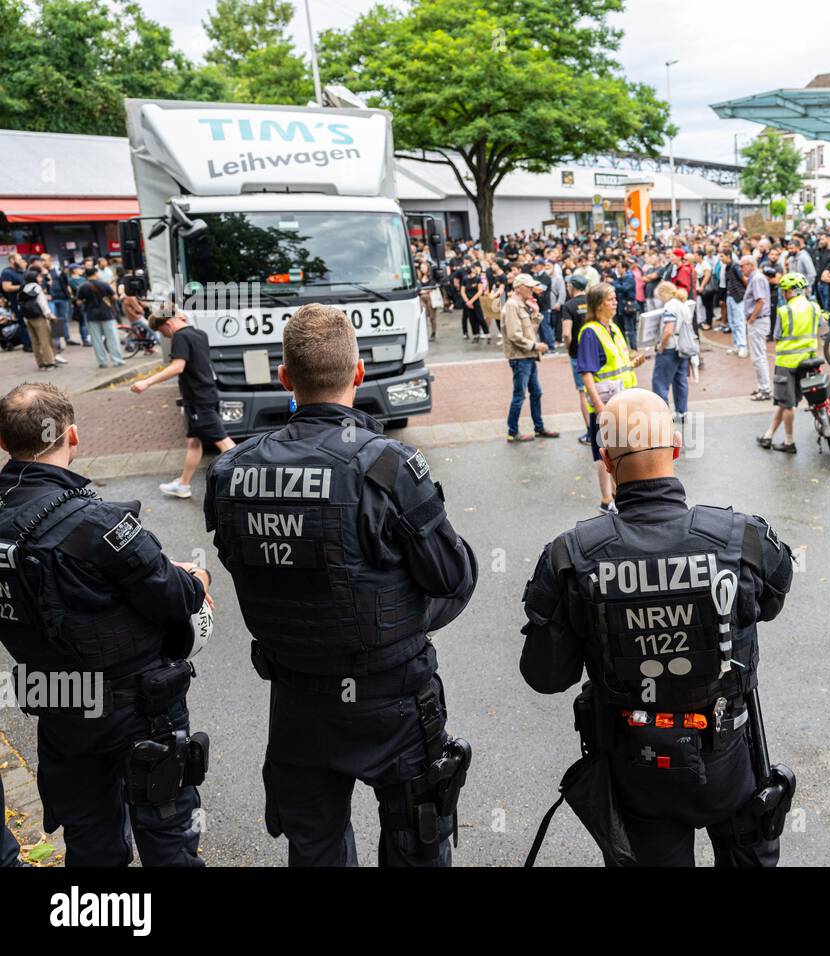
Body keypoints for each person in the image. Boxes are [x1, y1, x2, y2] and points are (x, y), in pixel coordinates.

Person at [205, 304, 478, 867]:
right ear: (358, 374)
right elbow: (454, 576)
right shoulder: (388, 465)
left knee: (314, 848)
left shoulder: (232, 473)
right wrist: (398, 611)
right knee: (416, 841)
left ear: (284, 379)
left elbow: (245, 566)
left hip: (298, 697)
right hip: (392, 694)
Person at [519, 388, 795, 866]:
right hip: (729, 760)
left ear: (605, 460)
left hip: (637, 773)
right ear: (675, 448)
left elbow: (546, 676)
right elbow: (771, 602)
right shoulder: (741, 538)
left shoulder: (571, 556)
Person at [0, 382, 211, 866]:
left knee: (91, 842)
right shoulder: (97, 523)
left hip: (57, 704)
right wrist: (195, 576)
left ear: (4, 442)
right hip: (135, 709)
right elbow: (175, 595)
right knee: (168, 837)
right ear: (71, 436)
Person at [130, 304, 235, 498]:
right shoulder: (200, 334)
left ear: (168, 324)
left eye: (164, 332)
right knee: (194, 442)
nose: (167, 337)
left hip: (198, 399)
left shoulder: (180, 336)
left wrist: (147, 382)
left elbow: (178, 367)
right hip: (206, 394)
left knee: (223, 442)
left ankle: (244, 477)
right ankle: (183, 484)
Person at [576, 282, 647, 514]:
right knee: (603, 451)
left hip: (623, 400)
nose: (615, 302)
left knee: (619, 448)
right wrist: (598, 405)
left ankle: (618, 492)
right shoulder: (590, 331)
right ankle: (606, 500)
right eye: (610, 299)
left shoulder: (613, 328)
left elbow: (617, 364)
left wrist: (635, 362)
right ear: (598, 304)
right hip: (606, 403)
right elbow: (586, 372)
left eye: (615, 298)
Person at [757, 273, 827, 454]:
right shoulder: (814, 307)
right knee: (785, 401)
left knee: (787, 404)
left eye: (784, 290)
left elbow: (777, 335)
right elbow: (821, 324)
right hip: (808, 360)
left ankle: (789, 442)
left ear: (791, 291)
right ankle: (768, 435)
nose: (782, 293)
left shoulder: (784, 310)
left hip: (787, 362)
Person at [501, 273, 559, 443]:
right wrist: (535, 346)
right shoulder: (512, 305)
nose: (532, 290)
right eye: (529, 287)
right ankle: (513, 432)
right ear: (519, 288)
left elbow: (529, 330)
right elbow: (514, 335)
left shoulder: (520, 304)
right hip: (521, 357)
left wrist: (536, 313)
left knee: (536, 392)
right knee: (520, 395)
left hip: (527, 356)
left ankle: (538, 428)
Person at [650, 281, 695, 418]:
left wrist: (660, 346)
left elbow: (668, 330)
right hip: (683, 347)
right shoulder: (683, 305)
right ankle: (682, 411)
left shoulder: (669, 306)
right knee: (680, 380)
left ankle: (663, 414)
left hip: (670, 348)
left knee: (660, 382)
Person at [560, 273, 593, 442]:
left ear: (571, 287)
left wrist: (568, 347)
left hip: (578, 354)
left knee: (583, 392)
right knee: (600, 389)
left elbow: (566, 333)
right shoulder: (593, 302)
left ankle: (590, 432)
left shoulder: (568, 306)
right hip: (595, 352)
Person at [75, 266, 124, 368]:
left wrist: (86, 300)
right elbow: (115, 297)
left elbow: (78, 302)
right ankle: (117, 360)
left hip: (91, 315)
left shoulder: (82, 287)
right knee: (112, 338)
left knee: (96, 340)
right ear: (96, 273)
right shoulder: (104, 284)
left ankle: (102, 362)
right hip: (107, 314)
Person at [740, 255, 773, 402]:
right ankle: (762, 386)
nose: (741, 269)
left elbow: (760, 300)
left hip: (758, 321)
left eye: (743, 266)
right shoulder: (756, 278)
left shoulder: (757, 278)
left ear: (750, 265)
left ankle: (765, 388)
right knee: (757, 356)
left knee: (758, 356)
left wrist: (752, 317)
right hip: (758, 320)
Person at [721, 248, 748, 357]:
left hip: (738, 296)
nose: (721, 259)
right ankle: (736, 345)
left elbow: (743, 279)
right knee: (732, 322)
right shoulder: (727, 267)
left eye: (722, 256)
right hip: (730, 296)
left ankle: (743, 347)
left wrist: (748, 292)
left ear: (728, 256)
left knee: (739, 322)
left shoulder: (735, 266)